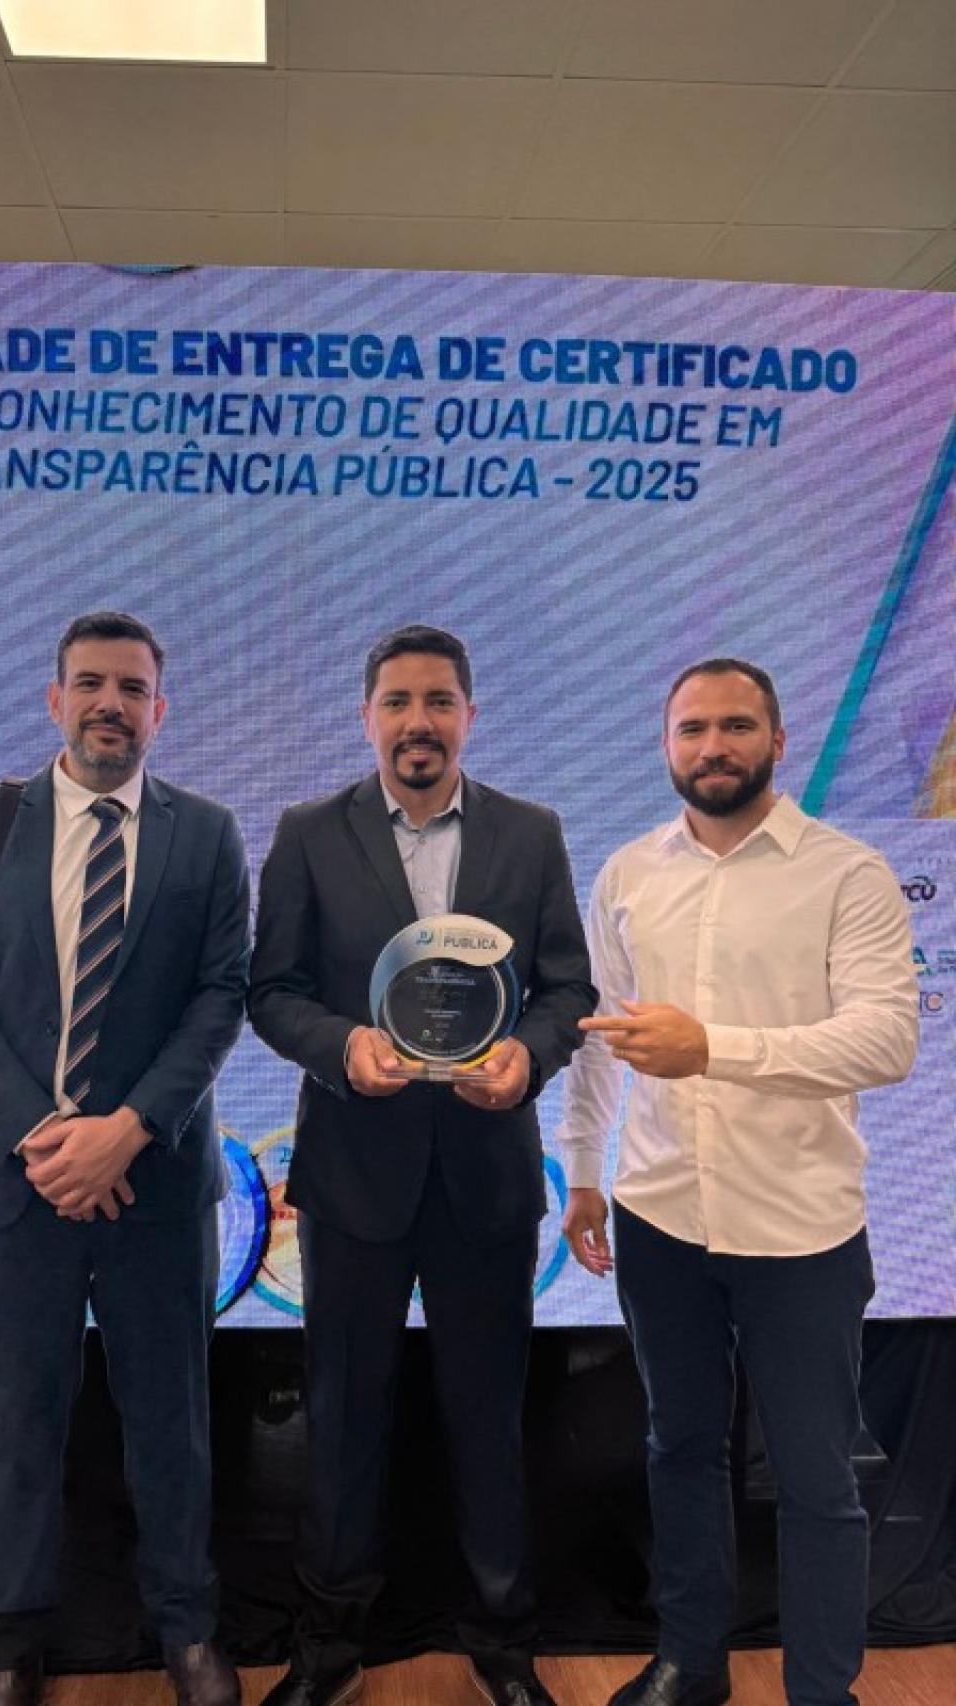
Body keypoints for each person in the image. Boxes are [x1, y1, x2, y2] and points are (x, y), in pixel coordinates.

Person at [556, 659, 918, 1706]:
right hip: (659, 1214)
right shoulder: (629, 872)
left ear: (776, 740)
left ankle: (821, 1690)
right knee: (677, 1447)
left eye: (734, 726)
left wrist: (713, 1046)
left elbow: (886, 1038)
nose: (712, 746)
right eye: (691, 728)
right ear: (665, 745)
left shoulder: (847, 873)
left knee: (814, 1475)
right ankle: (691, 1663)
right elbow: (598, 1038)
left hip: (799, 1229)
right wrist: (582, 1173)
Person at [0, 611, 249, 1706]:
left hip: (157, 1185)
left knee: (172, 1423)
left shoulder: (207, 834)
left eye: (132, 688)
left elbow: (220, 997)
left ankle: (187, 1631)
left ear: (160, 710)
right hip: (15, 1187)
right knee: (18, 1423)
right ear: (54, 699)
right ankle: (11, 1642)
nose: (111, 704)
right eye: (90, 683)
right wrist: (40, 1133)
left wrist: (128, 1128)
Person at [248, 625, 595, 1706]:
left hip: (486, 1174)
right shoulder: (309, 834)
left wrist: (527, 1058)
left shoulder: (530, 833)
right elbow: (273, 992)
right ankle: (327, 1648)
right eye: (397, 701)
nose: (418, 721)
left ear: (469, 716)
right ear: (367, 717)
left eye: (439, 701)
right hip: (354, 1176)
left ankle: (502, 1642)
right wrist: (342, 1047)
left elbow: (567, 991)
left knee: (488, 1417)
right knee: (344, 1417)